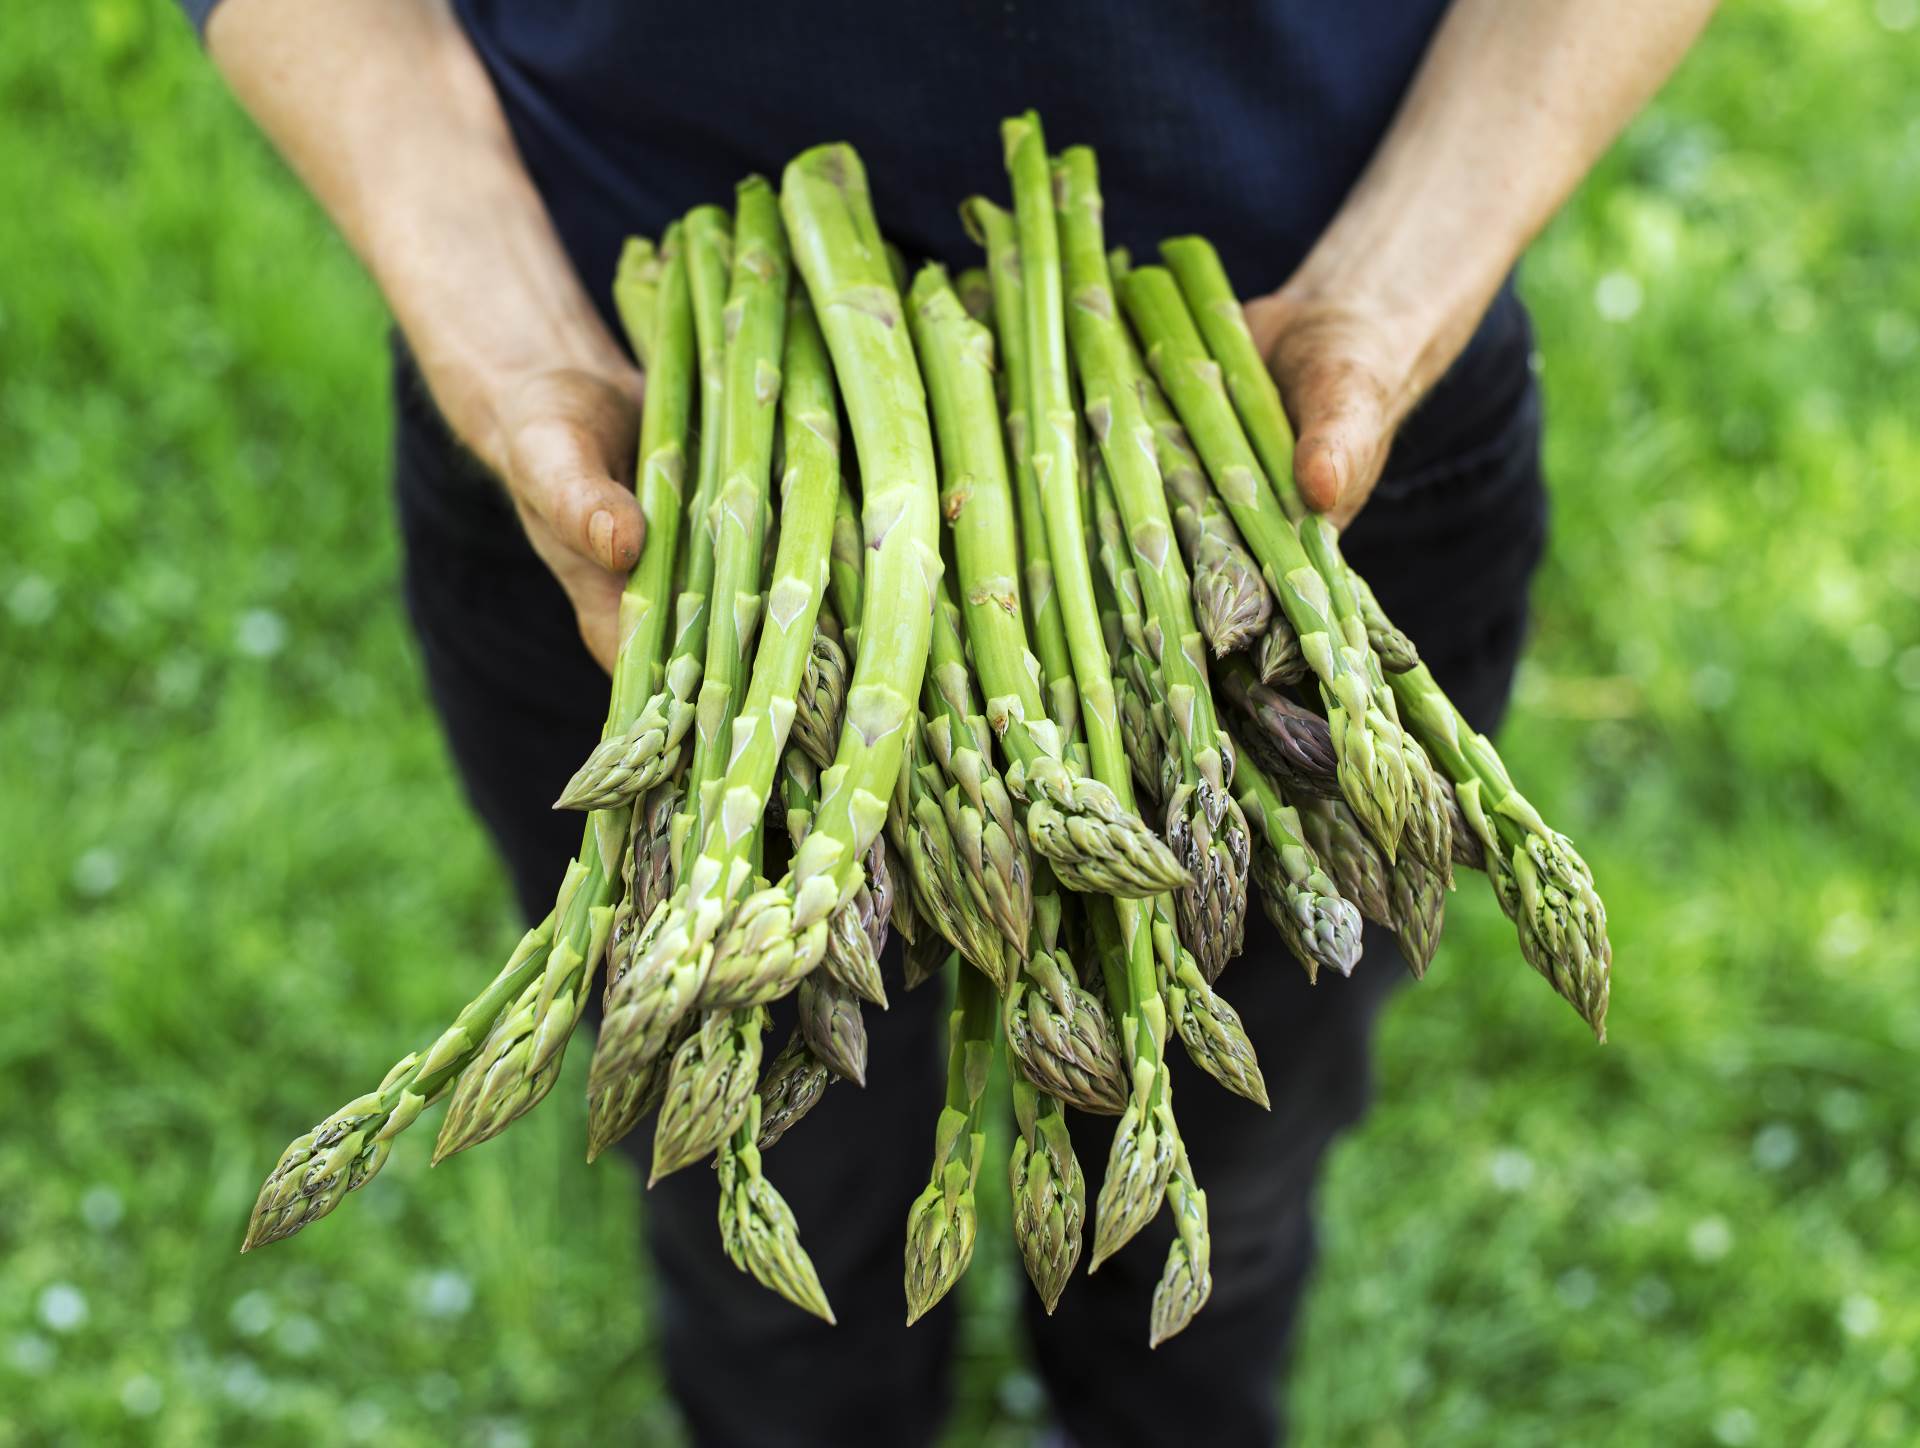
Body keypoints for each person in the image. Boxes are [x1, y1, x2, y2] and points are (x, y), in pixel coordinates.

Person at [177, 2, 1714, 1443]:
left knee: (1213, 1201)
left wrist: (1399, 286)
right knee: (762, 1226)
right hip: (649, 448)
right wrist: (492, 315)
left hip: (1277, 434)